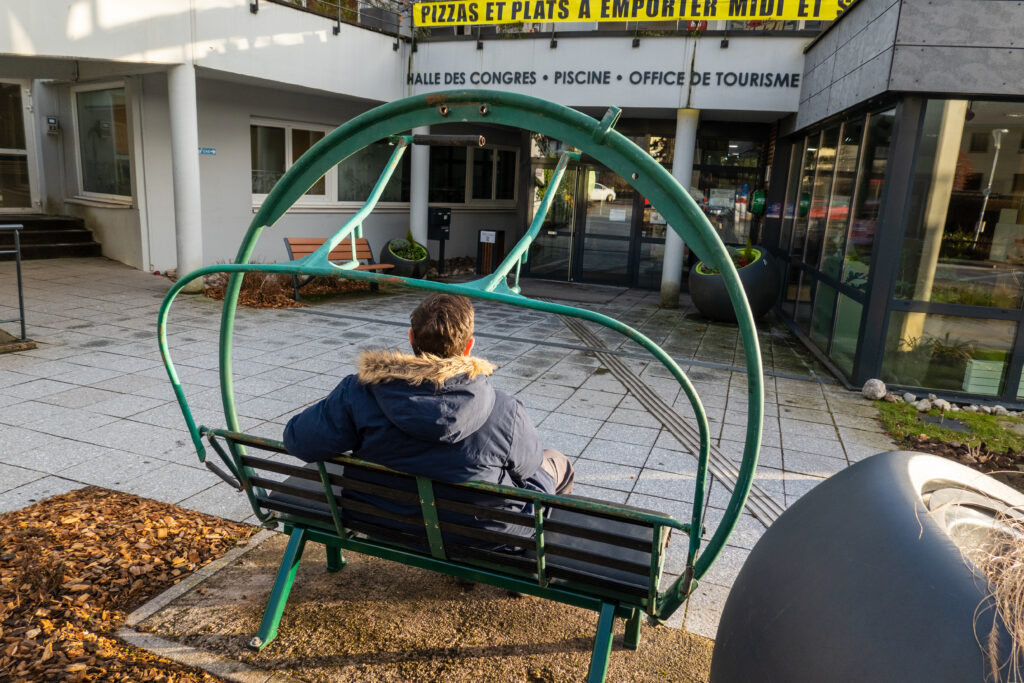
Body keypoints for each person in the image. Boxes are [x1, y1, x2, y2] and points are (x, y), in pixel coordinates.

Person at [283, 292, 574, 549]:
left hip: (379, 520)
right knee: (556, 462)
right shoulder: (506, 409)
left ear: (411, 339)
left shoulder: (358, 391)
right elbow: (528, 466)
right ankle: (531, 563)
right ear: (469, 345)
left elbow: (299, 441)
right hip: (483, 536)